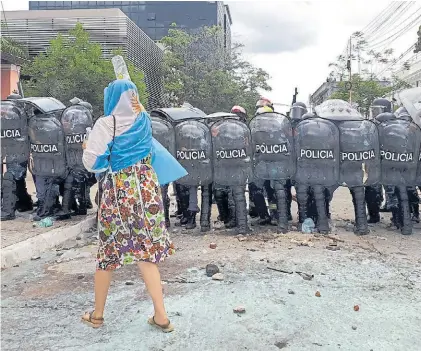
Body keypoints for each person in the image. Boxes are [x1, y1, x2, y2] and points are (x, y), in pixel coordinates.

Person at [81, 79, 186, 331]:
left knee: (107, 251)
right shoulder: (144, 120)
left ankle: (97, 315)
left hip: (120, 192)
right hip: (148, 190)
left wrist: (89, 148)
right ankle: (161, 316)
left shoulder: (106, 124)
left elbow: (92, 163)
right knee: (146, 252)